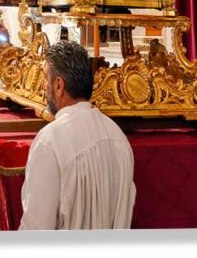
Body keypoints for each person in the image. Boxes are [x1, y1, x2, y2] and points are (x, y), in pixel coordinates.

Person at [19, 41, 135, 230]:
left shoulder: (50, 141)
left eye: (45, 79)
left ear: (58, 85)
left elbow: (36, 228)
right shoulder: (118, 137)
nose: (42, 87)